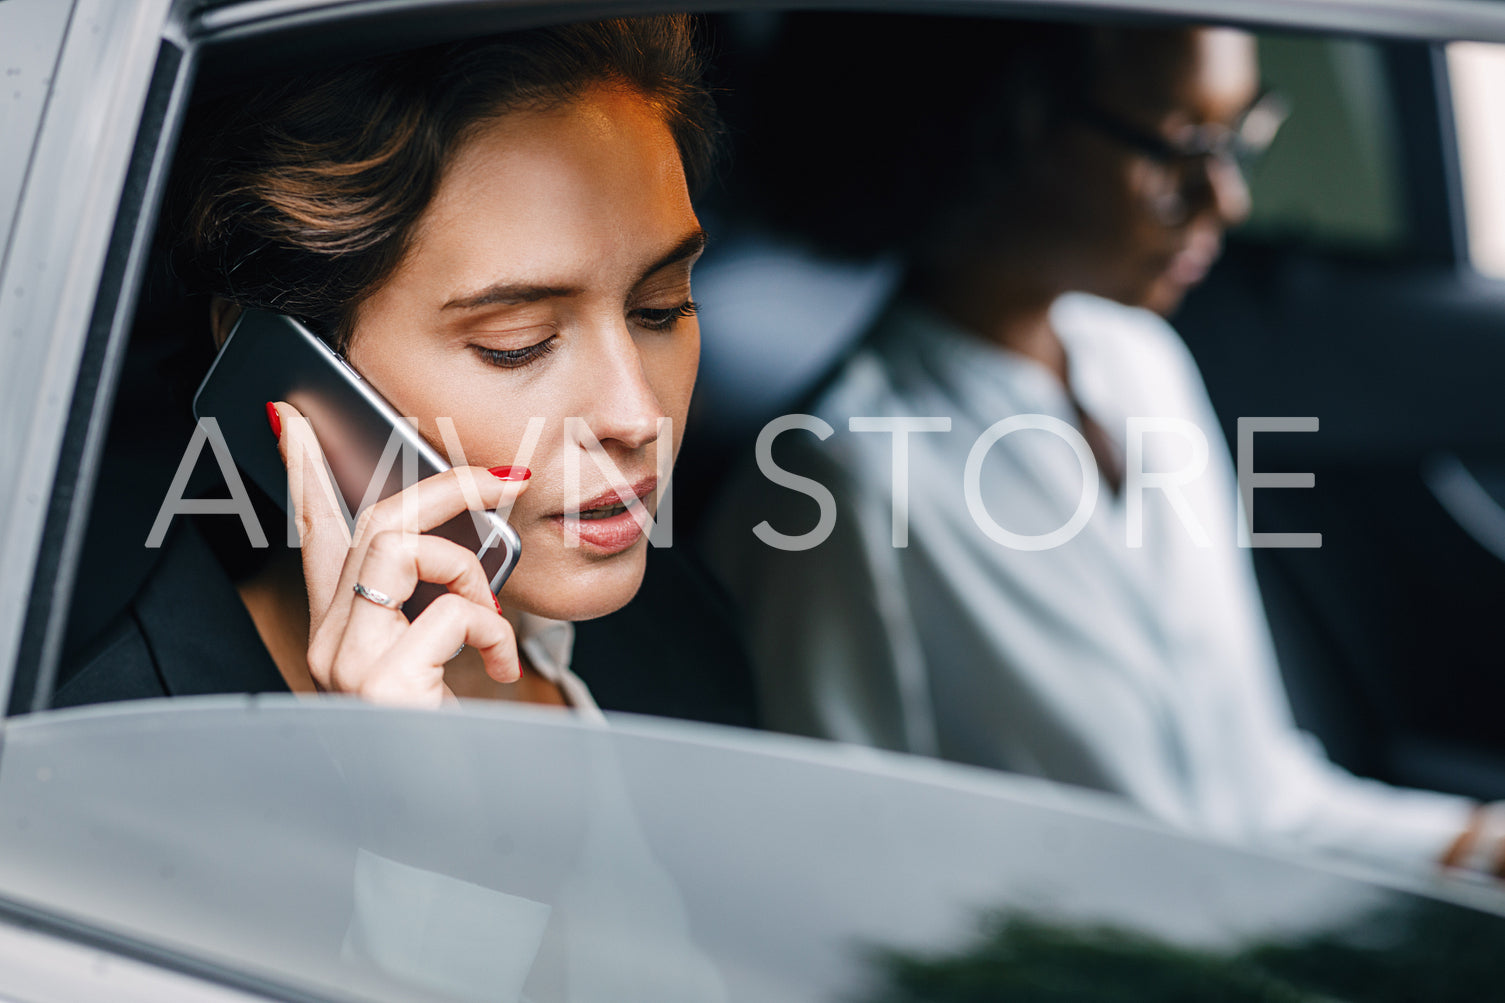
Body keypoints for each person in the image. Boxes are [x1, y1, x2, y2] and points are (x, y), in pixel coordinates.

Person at [706, 15, 1503, 879]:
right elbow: (840, 883)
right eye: (1180, 146)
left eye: (1241, 137)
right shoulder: (841, 485)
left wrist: (1472, 842)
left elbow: (1255, 802)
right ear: (1002, 130)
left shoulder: (1141, 362)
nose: (1224, 198)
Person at [56, 18, 718, 717]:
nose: (638, 415)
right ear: (285, 370)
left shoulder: (683, 623)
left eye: (660, 308)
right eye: (516, 342)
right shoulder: (114, 757)